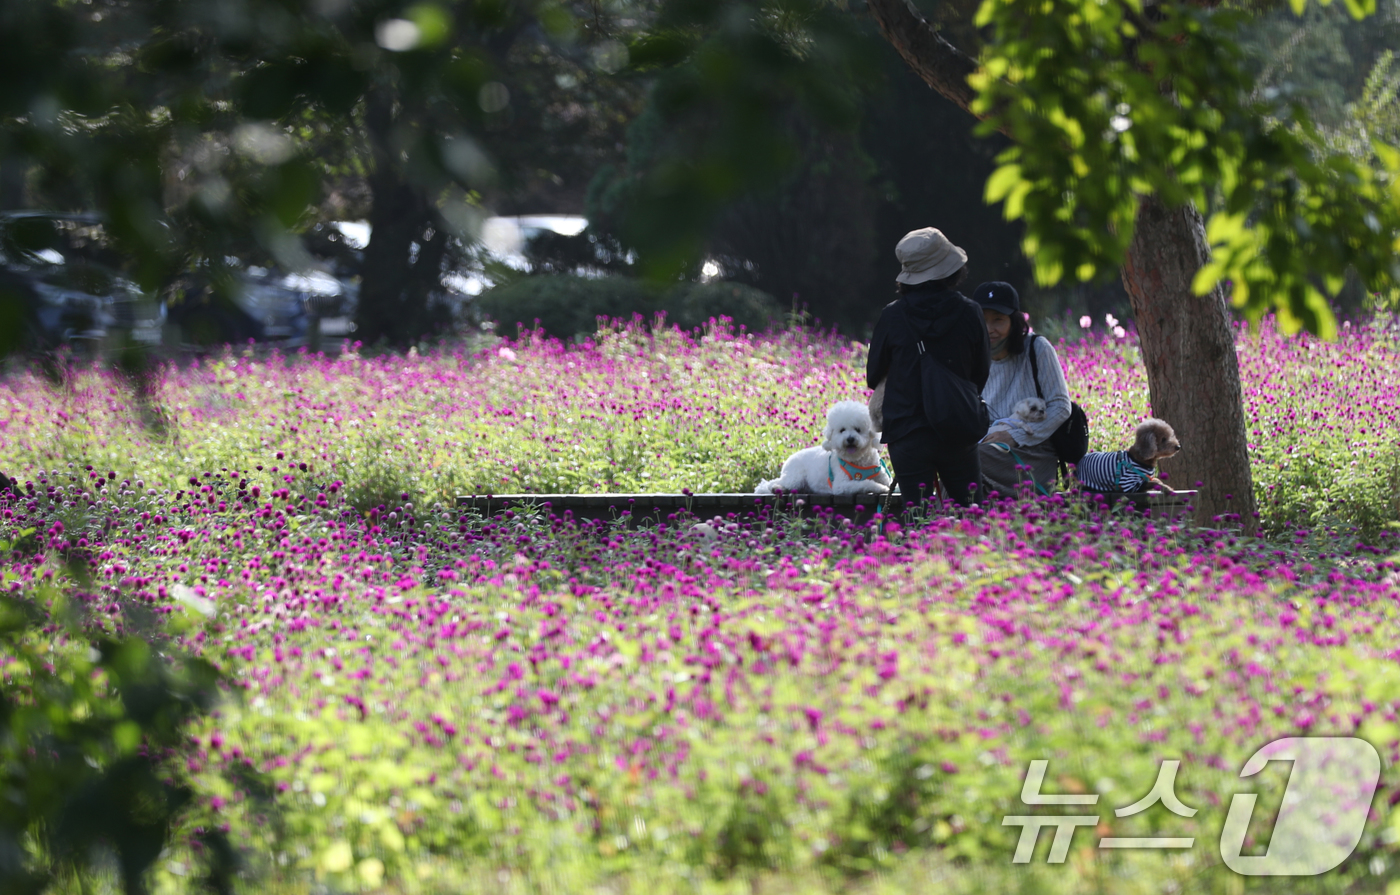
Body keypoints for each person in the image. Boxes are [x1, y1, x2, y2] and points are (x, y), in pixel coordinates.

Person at [867, 228, 991, 509]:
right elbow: (981, 372)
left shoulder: (892, 316)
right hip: (958, 428)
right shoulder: (970, 312)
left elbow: (873, 374)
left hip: (907, 432)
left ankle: (924, 554)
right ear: (951, 269)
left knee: (918, 518)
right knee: (970, 513)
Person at [974, 281, 1072, 498]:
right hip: (988, 447)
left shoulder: (1037, 349)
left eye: (998, 320)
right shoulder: (973, 356)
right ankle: (957, 527)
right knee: (953, 463)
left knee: (968, 460)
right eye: (983, 319)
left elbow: (1060, 407)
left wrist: (1014, 437)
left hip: (1033, 453)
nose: (990, 329)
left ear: (1014, 321)